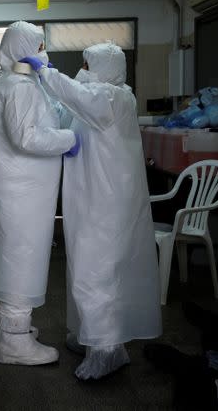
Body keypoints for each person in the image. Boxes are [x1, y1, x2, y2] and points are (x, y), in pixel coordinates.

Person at [38, 42, 162, 380]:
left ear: (106, 67)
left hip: (107, 204)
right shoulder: (96, 98)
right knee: (85, 269)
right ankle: (93, 336)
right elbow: (67, 110)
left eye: (88, 64)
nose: (84, 69)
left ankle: (107, 352)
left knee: (97, 272)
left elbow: (78, 96)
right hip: (89, 199)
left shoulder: (115, 97)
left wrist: (46, 72)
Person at [0, 21, 79, 366]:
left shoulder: (0, 83)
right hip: (21, 191)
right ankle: (14, 341)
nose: (42, 53)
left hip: (3, 183)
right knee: (21, 258)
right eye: (38, 46)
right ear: (23, 48)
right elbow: (27, 137)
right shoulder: (20, 86)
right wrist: (69, 139)